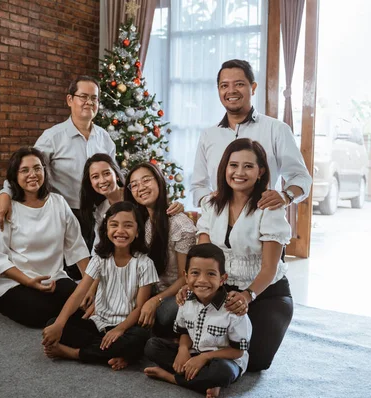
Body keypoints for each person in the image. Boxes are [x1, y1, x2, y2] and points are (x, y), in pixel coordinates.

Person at [182, 138, 293, 372]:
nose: (239, 172)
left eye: (248, 166)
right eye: (233, 165)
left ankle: (211, 359)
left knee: (257, 361)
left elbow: (269, 268)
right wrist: (192, 284)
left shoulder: (270, 207)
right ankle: (210, 358)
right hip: (221, 288)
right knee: (174, 321)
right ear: (225, 168)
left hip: (264, 292)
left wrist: (247, 296)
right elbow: (203, 255)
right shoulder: (212, 203)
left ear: (261, 171)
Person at [0, 76, 115, 279]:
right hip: (66, 214)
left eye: (94, 98)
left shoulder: (105, 138)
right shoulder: (53, 137)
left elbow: (113, 176)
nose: (89, 102)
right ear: (69, 100)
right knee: (70, 274)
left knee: (99, 266)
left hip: (99, 212)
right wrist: (4, 194)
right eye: (83, 96)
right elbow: (28, 170)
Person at [41, 201, 158, 370]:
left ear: (138, 231)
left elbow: (139, 308)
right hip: (98, 323)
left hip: (127, 327)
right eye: (114, 225)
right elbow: (78, 294)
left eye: (128, 226)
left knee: (139, 339)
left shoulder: (145, 264)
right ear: (106, 229)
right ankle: (117, 355)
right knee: (53, 322)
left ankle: (73, 353)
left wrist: (119, 330)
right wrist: (59, 325)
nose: (120, 231)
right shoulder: (99, 258)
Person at [0, 147, 91, 328]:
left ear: (44, 170)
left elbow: (77, 247)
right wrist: (29, 282)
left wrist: (89, 287)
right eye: (24, 170)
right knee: (38, 314)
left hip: (54, 277)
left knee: (83, 303)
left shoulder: (58, 202)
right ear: (14, 176)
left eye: (37, 168)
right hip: (17, 282)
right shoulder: (6, 209)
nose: (32, 174)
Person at [190, 59, 312, 210]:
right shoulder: (208, 135)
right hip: (218, 227)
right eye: (224, 86)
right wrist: (211, 203)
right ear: (218, 90)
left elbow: (301, 177)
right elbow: (198, 186)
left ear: (253, 88)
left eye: (239, 84)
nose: (231, 91)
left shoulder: (277, 129)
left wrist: (286, 196)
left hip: (264, 224)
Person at [144, 243, 252, 398]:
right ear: (186, 276)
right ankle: (205, 381)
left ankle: (173, 378)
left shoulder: (233, 309)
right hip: (194, 352)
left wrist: (204, 358)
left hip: (223, 360)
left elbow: (238, 351)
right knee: (152, 346)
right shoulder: (185, 300)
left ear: (223, 279)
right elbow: (184, 331)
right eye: (195, 273)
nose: (202, 280)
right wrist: (183, 350)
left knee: (222, 373)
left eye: (211, 274)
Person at [124, 163, 196, 337]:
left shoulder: (179, 224)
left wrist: (156, 300)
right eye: (134, 184)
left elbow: (185, 278)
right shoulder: (142, 222)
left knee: (164, 315)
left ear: (159, 182)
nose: (140, 187)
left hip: (177, 294)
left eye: (146, 180)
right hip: (150, 290)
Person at [79, 153, 184, 254]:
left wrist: (177, 206)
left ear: (116, 175)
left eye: (107, 173)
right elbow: (99, 245)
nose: (102, 180)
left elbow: (158, 208)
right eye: (95, 177)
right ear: (90, 182)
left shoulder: (136, 193)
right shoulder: (100, 210)